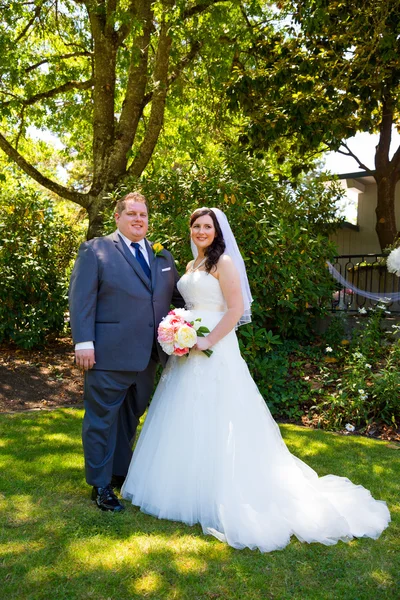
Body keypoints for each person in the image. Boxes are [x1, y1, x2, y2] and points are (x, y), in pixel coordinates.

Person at [121, 207, 391, 552]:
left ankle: (224, 489)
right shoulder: (190, 267)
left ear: (217, 232)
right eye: (196, 226)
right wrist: (178, 332)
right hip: (187, 352)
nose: (201, 231)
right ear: (190, 230)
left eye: (208, 226)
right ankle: (182, 485)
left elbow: (234, 310)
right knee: (184, 415)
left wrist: (205, 340)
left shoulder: (224, 264)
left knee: (221, 417)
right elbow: (186, 305)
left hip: (215, 348)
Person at [69, 191, 184, 512]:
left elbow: (177, 299)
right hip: (106, 355)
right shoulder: (96, 250)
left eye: (143, 215)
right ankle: (100, 485)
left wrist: (193, 325)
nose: (138, 219)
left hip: (148, 357)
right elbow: (82, 299)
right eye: (131, 213)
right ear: (117, 217)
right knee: (101, 420)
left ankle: (119, 473)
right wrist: (83, 343)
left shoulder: (162, 256)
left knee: (130, 418)